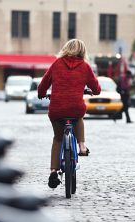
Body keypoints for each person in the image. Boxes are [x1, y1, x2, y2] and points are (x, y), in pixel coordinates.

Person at [38, 39, 101, 189]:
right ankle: (82, 146)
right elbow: (97, 88)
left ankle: (53, 171)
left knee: (58, 139)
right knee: (78, 116)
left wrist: (41, 93)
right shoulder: (85, 67)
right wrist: (91, 90)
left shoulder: (57, 64)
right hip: (75, 108)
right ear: (83, 51)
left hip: (57, 109)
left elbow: (43, 84)